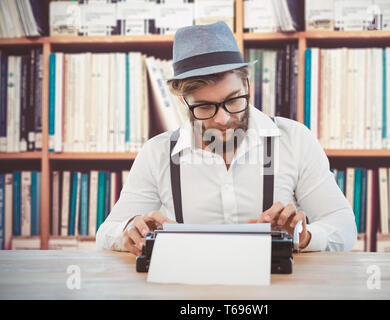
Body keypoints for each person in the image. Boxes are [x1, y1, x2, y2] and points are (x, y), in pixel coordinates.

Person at [96, 21, 357, 256]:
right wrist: (128, 230)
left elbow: (343, 226)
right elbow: (106, 233)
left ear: (247, 85)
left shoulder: (294, 140)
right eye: (205, 107)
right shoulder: (158, 154)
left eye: (233, 100)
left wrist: (305, 236)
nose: (222, 120)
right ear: (183, 102)